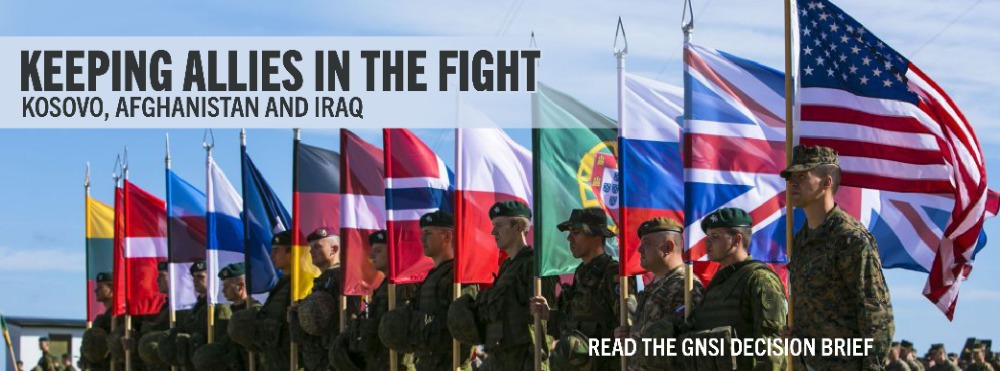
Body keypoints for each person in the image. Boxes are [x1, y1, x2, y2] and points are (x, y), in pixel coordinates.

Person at [782, 144, 894, 370]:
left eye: (803, 176)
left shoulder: (850, 239)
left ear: (827, 182)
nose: (793, 183)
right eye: (791, 177)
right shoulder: (801, 241)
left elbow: (876, 315)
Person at [448, 201, 558, 370]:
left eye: (499, 225)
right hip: (500, 359)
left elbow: (543, 322)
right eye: (493, 226)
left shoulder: (534, 265)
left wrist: (537, 362)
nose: (493, 231)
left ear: (519, 226)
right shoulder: (507, 267)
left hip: (523, 362)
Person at [529, 207, 634, 370]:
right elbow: (573, 324)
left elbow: (629, 326)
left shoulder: (612, 273)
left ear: (596, 235)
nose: (569, 238)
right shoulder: (581, 273)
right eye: (569, 233)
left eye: (576, 232)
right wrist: (548, 314)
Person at [686, 207, 787, 371]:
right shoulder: (717, 284)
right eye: (708, 237)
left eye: (715, 236)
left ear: (736, 240)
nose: (707, 242)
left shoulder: (759, 279)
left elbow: (771, 348)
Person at [381, 210, 478, 371]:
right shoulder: (432, 276)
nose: (421, 239)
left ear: (447, 236)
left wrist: (459, 364)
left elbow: (466, 330)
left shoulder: (458, 277)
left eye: (428, 233)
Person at [615, 216, 705, 371]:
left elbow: (689, 346)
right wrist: (630, 335)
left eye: (647, 243)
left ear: (668, 247)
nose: (639, 249)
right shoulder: (653, 286)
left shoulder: (686, 286)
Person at [333, 230, 417, 371]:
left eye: (378, 251)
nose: (371, 256)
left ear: (393, 252)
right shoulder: (385, 285)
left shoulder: (406, 285)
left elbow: (402, 328)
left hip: (398, 365)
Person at [291, 227, 361, 371]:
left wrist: (340, 357)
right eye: (311, 248)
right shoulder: (323, 279)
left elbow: (349, 318)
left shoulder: (343, 278)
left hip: (333, 357)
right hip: (319, 356)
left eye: (317, 247)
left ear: (334, 249)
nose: (311, 251)